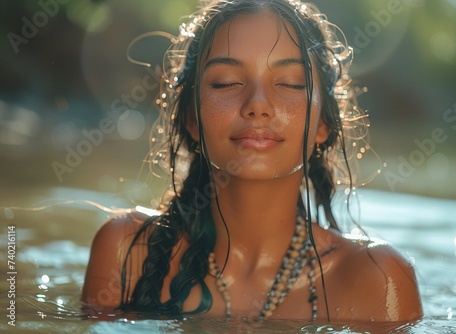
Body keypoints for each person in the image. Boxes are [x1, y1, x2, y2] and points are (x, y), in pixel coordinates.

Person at [81, 0, 423, 323]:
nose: (258, 104)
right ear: (191, 117)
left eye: (289, 83)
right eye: (226, 82)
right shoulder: (128, 251)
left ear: (323, 124)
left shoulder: (377, 280)